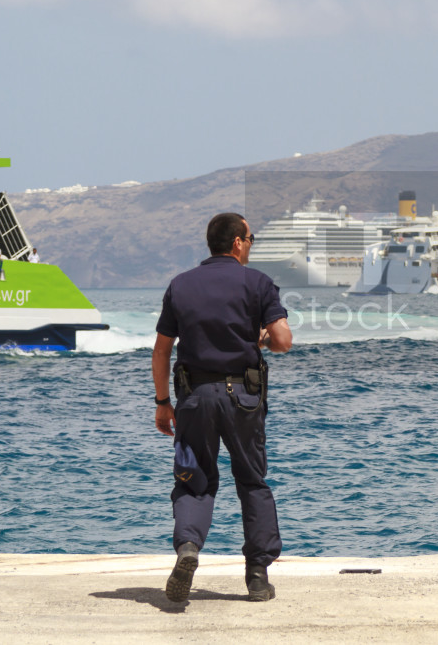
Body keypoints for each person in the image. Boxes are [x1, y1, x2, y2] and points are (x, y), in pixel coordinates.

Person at [153, 212, 292, 604]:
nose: (251, 245)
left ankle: (188, 549)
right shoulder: (258, 283)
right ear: (236, 242)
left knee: (194, 481)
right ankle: (258, 578)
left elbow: (162, 349)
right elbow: (283, 341)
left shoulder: (180, 285)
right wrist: (262, 338)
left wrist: (163, 403)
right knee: (251, 481)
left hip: (193, 398)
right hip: (243, 398)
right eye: (251, 238)